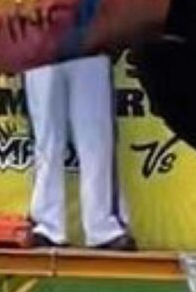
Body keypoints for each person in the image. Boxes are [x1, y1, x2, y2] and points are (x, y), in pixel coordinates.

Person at [24, 54, 135, 252]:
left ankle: (103, 228)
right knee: (45, 139)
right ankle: (47, 226)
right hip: (40, 39)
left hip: (88, 40)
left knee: (96, 138)